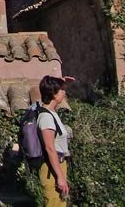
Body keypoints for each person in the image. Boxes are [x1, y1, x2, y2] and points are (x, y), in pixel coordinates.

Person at [37, 75, 72, 207]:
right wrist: (60, 177)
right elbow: (50, 148)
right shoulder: (46, 117)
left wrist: (60, 80)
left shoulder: (51, 112)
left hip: (58, 166)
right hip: (52, 169)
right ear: (54, 93)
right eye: (62, 90)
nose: (64, 93)